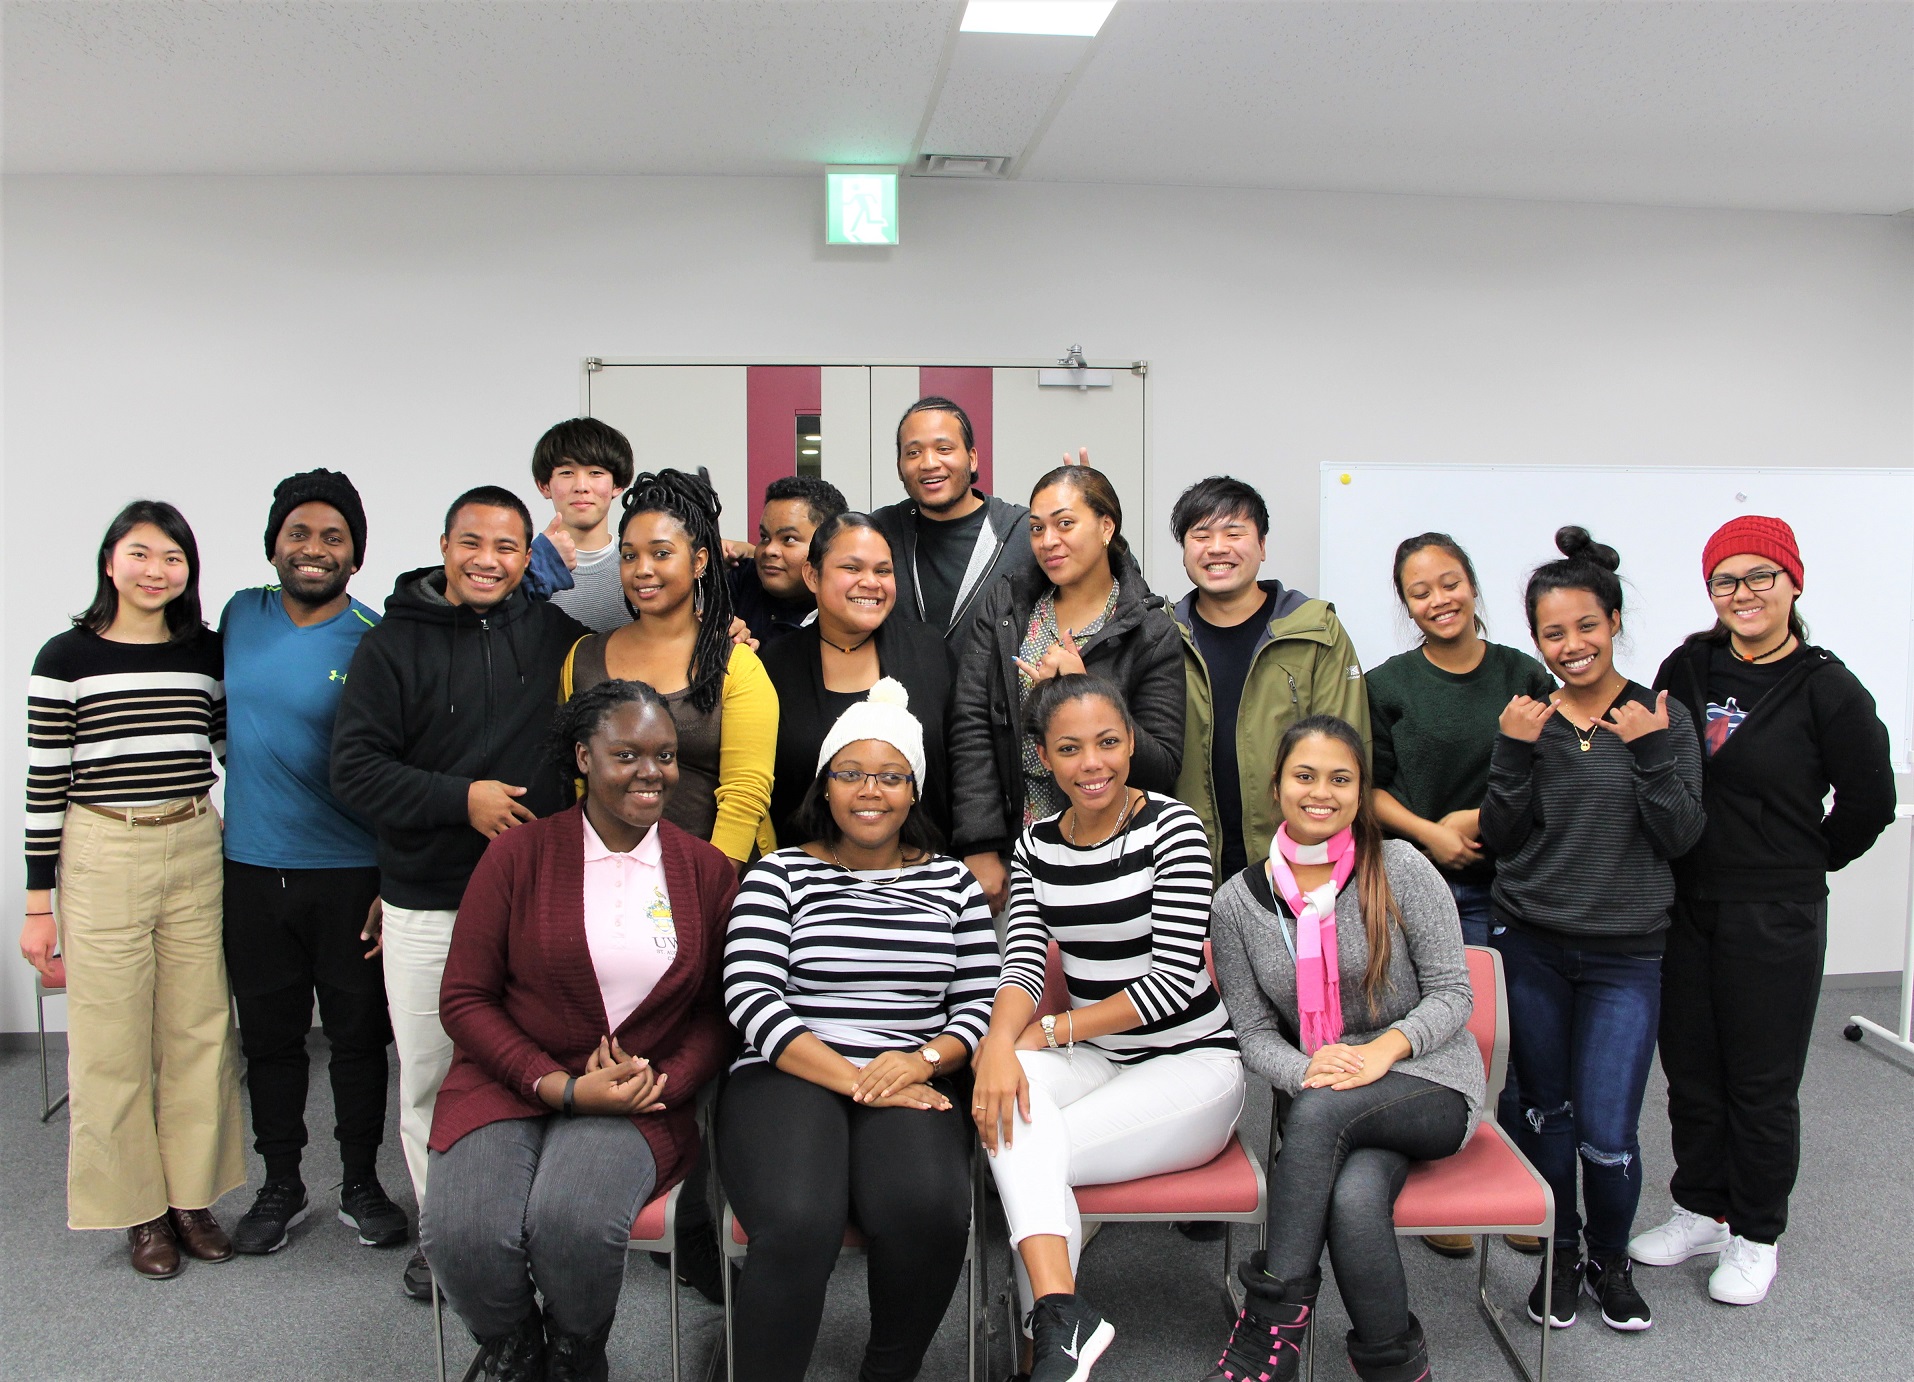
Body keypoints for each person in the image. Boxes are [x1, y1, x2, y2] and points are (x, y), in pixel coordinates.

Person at [423, 679, 739, 1381]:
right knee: (465, 1232)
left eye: (664, 755)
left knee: (570, 1222)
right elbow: (465, 999)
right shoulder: (517, 855)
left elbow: (720, 1012)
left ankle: (574, 1351)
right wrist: (559, 1085)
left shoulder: (707, 871)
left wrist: (663, 1082)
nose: (650, 772)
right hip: (510, 1079)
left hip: (638, 1093)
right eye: (626, 754)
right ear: (582, 758)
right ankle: (514, 1347)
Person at [331, 484, 591, 1300]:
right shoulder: (391, 646)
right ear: (444, 547)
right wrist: (461, 798)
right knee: (433, 1076)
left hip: (535, 900)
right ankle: (445, 1237)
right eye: (472, 543)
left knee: (539, 1070)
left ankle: (523, 1229)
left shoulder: (557, 636)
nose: (488, 560)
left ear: (527, 559)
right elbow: (354, 768)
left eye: (508, 547)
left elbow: (626, 686)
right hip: (428, 898)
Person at [1629, 516, 1895, 1306]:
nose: (1742, 594)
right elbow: (1651, 750)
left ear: (1791, 582)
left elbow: (1869, 802)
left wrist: (1802, 860)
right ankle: (1700, 1208)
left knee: (1761, 1080)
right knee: (1692, 1070)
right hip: (1686, 904)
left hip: (1774, 913)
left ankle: (1755, 1233)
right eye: (1725, 581)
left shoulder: (1827, 687)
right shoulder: (1691, 663)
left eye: (1758, 577)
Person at [719, 680, 997, 1382]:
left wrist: (924, 1060)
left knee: (928, 1210)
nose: (869, 791)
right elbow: (752, 999)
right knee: (797, 1220)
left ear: (913, 791)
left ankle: (889, 1370)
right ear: (825, 786)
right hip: (788, 1072)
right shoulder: (778, 875)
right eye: (850, 773)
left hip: (912, 1072)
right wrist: (862, 1078)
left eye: (890, 776)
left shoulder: (954, 885)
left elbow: (974, 1005)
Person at [972, 675, 1243, 1382]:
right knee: (1011, 1096)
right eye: (1070, 748)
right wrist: (1000, 1046)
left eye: (1108, 742)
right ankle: (1062, 1316)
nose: (1092, 763)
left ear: (1130, 743)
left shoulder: (1173, 828)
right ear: (1044, 758)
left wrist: (1054, 1031)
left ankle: (1046, 1337)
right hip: (1101, 1054)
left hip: (1194, 1063)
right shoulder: (1035, 846)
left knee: (1024, 1148)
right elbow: (1022, 965)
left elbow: (1173, 981)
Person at [1207, 714, 1481, 1382]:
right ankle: (1397, 1369)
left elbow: (1453, 993)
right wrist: (1306, 1067)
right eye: (1304, 776)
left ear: (1360, 792)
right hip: (1327, 1087)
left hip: (1429, 1080)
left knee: (1321, 1112)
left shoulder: (1402, 867)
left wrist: (1382, 1051)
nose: (1320, 792)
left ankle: (1267, 1334)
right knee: (1355, 1201)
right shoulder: (1237, 904)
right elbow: (1252, 1033)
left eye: (1340, 778)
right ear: (1277, 786)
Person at [1480, 526, 1705, 1335]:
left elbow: (1680, 835)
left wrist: (1647, 753)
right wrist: (1510, 750)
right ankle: (1559, 1255)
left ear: (1613, 622)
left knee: (1609, 1131)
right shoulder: (1527, 718)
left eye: (1586, 626)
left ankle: (1610, 1261)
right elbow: (1502, 835)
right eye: (1552, 633)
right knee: (1545, 1111)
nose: (1571, 646)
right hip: (1532, 941)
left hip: (1626, 955)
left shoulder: (1661, 716)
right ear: (1535, 639)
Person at [19, 500, 244, 1278]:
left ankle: (192, 1198)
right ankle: (139, 1213)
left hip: (191, 840)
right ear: (111, 561)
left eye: (173, 557)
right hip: (101, 847)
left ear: (189, 570)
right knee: (112, 1043)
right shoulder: (65, 657)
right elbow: (44, 784)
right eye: (142, 554)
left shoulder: (205, 653)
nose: (157, 570)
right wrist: (35, 904)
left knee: (200, 1031)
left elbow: (231, 747)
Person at [219, 470, 406, 1256]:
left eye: (333, 537)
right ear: (274, 544)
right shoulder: (238, 614)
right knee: (271, 1037)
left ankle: (361, 1182)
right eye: (299, 533)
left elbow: (399, 761)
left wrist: (391, 882)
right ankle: (281, 1182)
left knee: (361, 1039)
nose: (314, 549)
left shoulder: (376, 637)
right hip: (252, 871)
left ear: (355, 555)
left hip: (349, 875)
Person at [1364, 531, 1554, 1259]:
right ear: (1406, 604)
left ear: (1472, 585)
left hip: (1516, 882)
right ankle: (1442, 1178)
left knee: (1516, 1034)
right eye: (1420, 591)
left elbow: (1551, 769)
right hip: (1422, 883)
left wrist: (1476, 820)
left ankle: (1511, 1179)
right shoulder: (1388, 683)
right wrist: (1431, 834)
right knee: (1439, 1035)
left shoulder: (1522, 672)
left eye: (1449, 582)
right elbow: (1367, 787)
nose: (1438, 599)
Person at [949, 464, 1185, 912]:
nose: (1047, 541)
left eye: (1065, 523)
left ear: (1105, 527)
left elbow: (1163, 767)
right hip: (1012, 846)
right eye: (1037, 528)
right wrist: (978, 843)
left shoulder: (1149, 630)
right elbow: (971, 726)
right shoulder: (1007, 606)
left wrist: (1085, 687)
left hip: (1115, 853)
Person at [562, 469, 777, 872]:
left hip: (712, 878)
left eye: (661, 553)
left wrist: (710, 888)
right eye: (630, 555)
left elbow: (745, 794)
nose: (642, 569)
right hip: (602, 877)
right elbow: (576, 781)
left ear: (699, 561)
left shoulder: (736, 663)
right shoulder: (583, 656)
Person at [1167, 477, 1370, 881]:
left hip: (1298, 866)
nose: (1217, 547)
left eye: (1234, 533)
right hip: (1185, 867)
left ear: (1261, 546)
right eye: (1201, 535)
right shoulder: (1162, 635)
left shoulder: (1316, 631)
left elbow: (1349, 753)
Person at [760, 511, 953, 842]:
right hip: (808, 874)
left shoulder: (929, 651)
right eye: (852, 568)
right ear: (812, 576)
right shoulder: (773, 665)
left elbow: (966, 760)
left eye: (883, 570)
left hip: (922, 871)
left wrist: (981, 847)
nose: (871, 582)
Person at [870, 396, 1039, 653]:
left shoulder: (1024, 532)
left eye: (944, 449)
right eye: (913, 453)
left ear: (972, 459)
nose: (928, 463)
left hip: (992, 694)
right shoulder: (878, 531)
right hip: (899, 692)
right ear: (899, 467)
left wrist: (1087, 517)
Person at [524, 417, 636, 633]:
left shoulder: (640, 568)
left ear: (618, 484)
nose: (581, 486)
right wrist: (541, 563)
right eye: (567, 473)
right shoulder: (521, 569)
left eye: (596, 473)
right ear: (543, 485)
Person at [729, 474, 847, 645]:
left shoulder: (849, 617)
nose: (769, 550)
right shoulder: (742, 580)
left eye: (789, 539)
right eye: (764, 537)